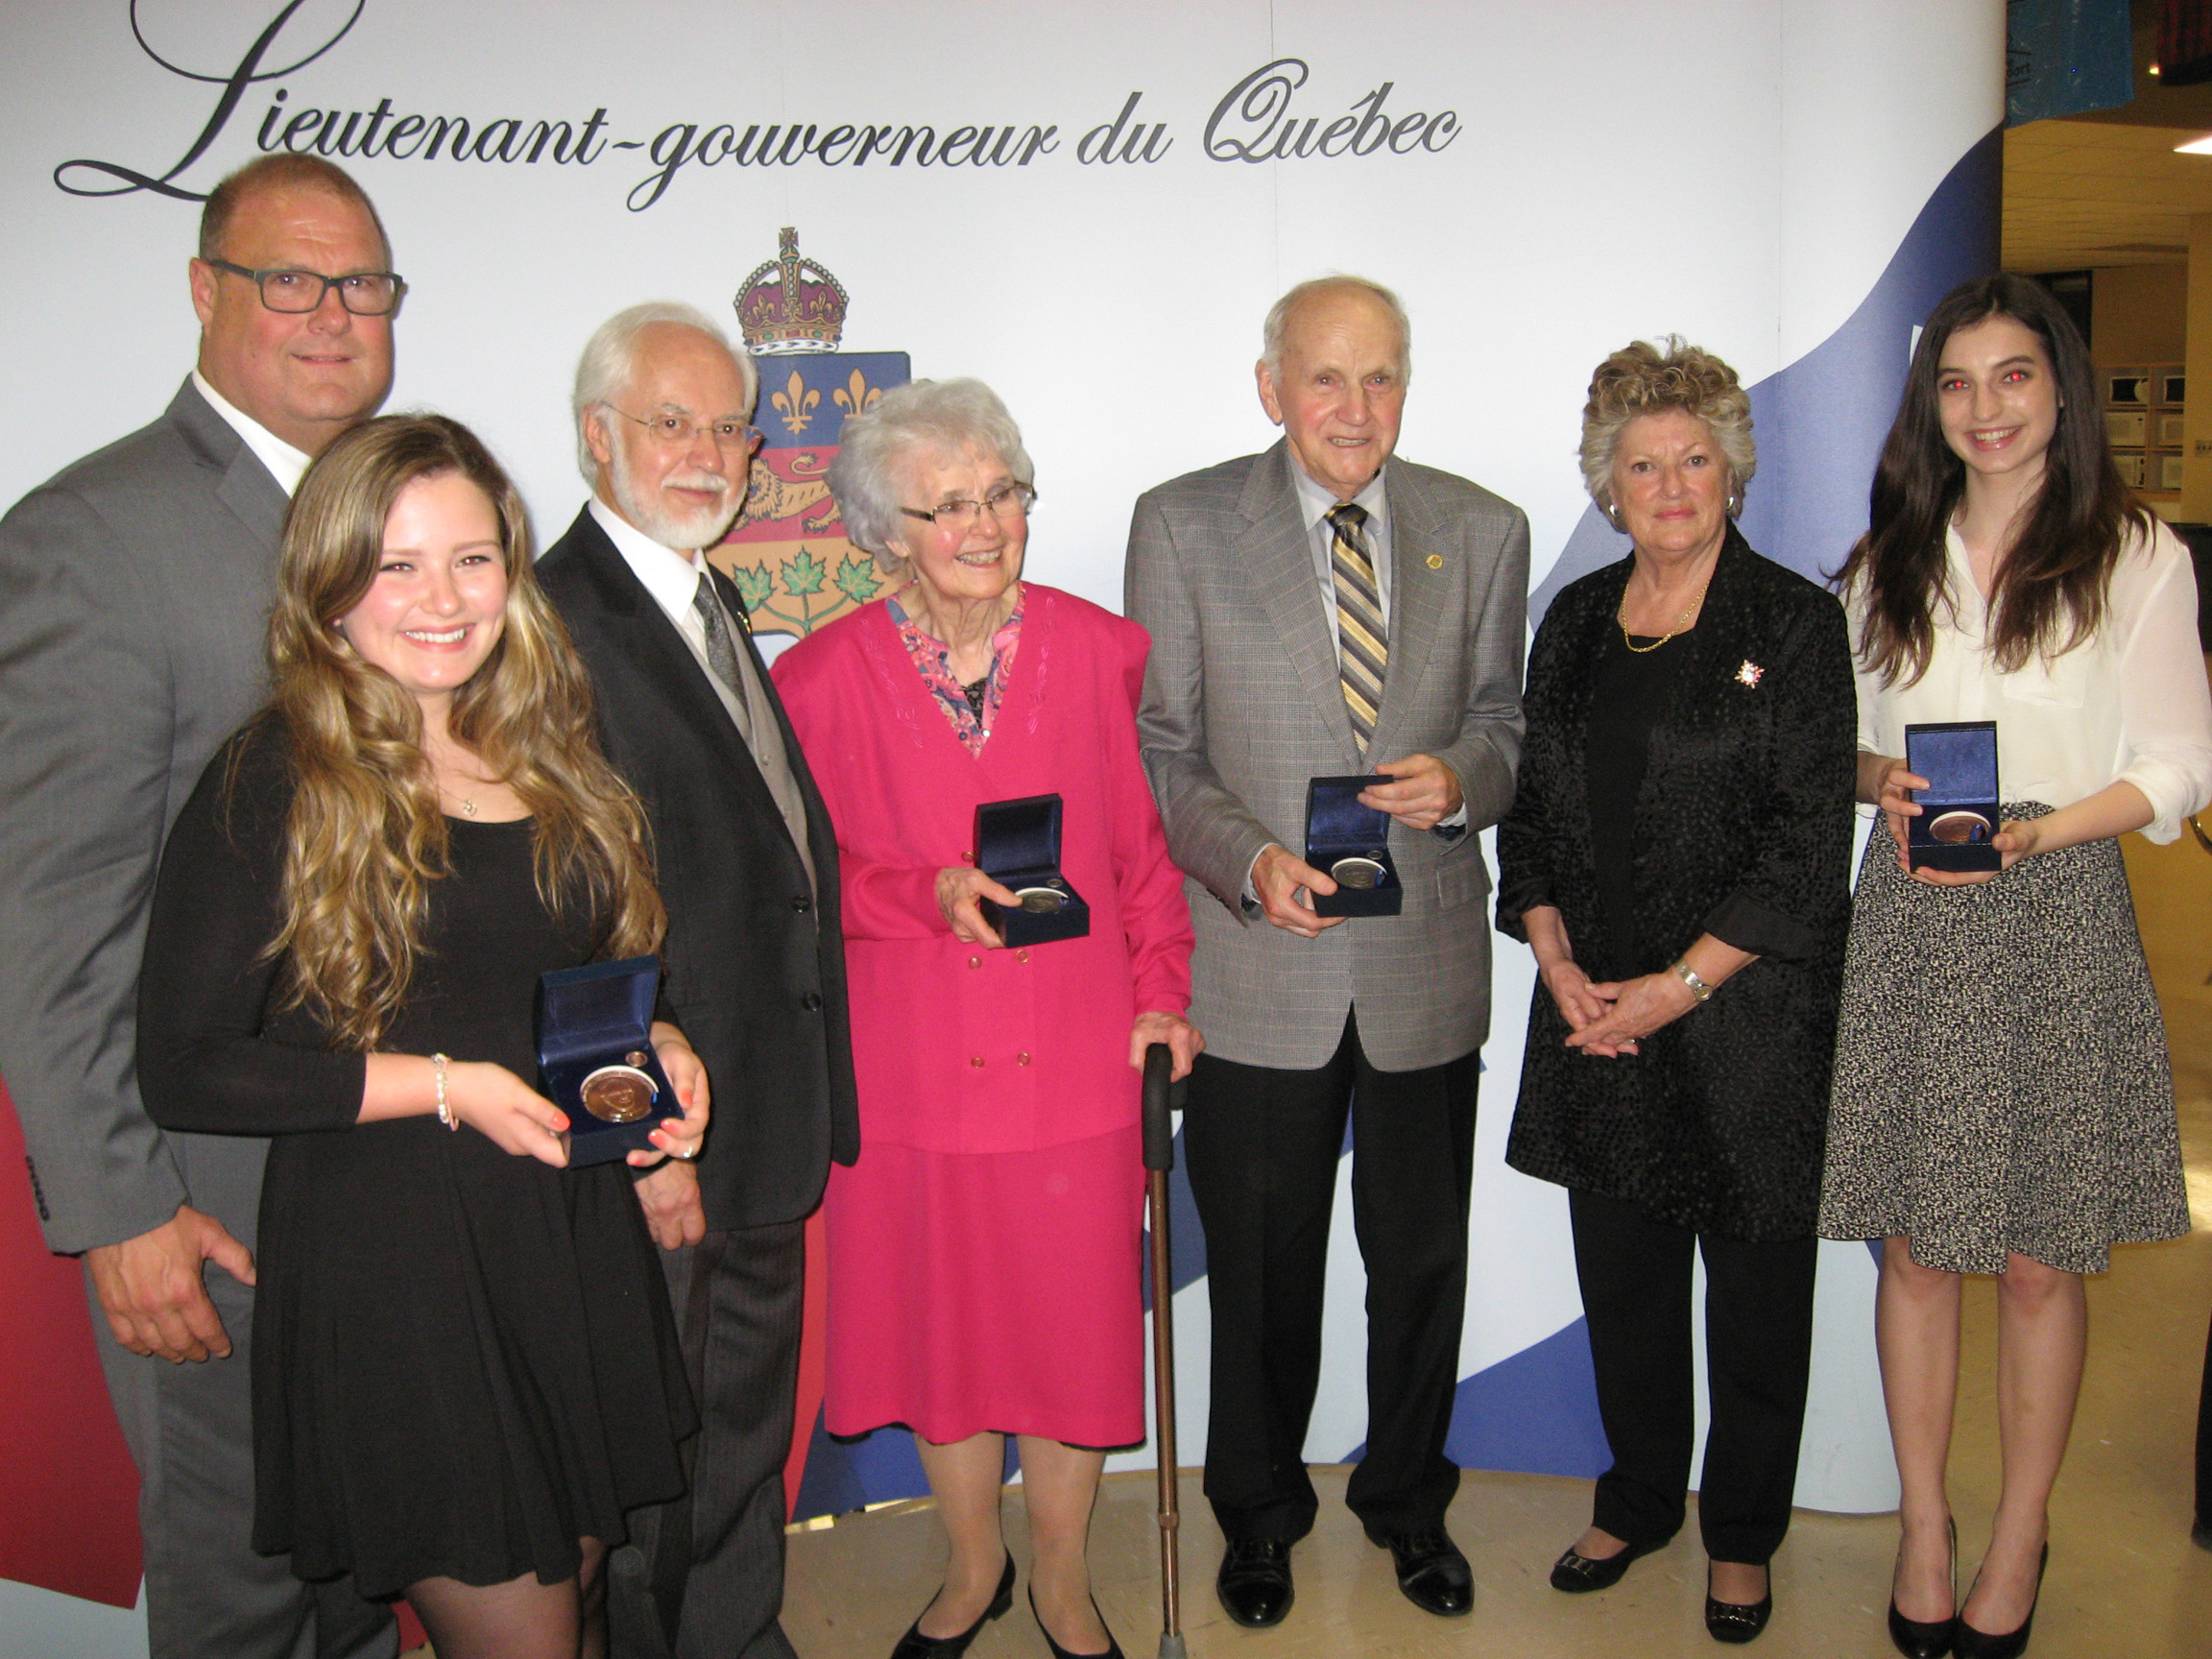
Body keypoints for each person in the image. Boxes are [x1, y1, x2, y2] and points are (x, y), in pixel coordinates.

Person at [134, 414, 707, 1658]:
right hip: (402, 1267)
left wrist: (659, 1039)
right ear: (330, 582)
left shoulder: (544, 741)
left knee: (581, 1593)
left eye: (471, 559)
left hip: (561, 1238)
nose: (443, 601)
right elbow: (185, 1064)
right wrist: (446, 1086)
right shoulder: (276, 774)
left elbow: (570, 969)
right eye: (398, 565)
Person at [0, 154, 400, 1659]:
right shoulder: (94, 536)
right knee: (243, 1588)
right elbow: (50, 915)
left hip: (381, 1168)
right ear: (202, 291)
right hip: (211, 1199)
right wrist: (119, 1210)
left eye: (362, 284)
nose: (332, 314)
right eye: (289, 279)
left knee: (362, 1564)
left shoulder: (401, 517)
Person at [771, 377, 1200, 1659]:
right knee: (943, 1346)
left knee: (1068, 1346)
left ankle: (1062, 1580)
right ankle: (973, 1571)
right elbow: (799, 885)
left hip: (1074, 1062)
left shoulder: (1102, 650)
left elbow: (1142, 859)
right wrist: (922, 894)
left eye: (1001, 493)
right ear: (885, 531)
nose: (984, 523)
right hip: (909, 1077)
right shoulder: (816, 679)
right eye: (947, 504)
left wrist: (1164, 997)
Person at [1123, 276, 1528, 1627]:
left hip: (1422, 966)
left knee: (1419, 1270)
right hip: (1260, 970)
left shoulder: (1483, 528)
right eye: (1325, 378)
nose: (1355, 408)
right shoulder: (1181, 524)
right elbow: (1162, 747)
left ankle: (1408, 1503)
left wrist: (1461, 780)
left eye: (1381, 377)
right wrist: (1247, 861)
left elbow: (1505, 724)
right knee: (1259, 1274)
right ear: (1270, 387)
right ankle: (1257, 1515)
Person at [1819, 273, 2212, 1659]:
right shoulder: (1889, 559)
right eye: (1957, 383)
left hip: (2058, 914)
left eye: (2014, 377)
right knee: (1917, 1249)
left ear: (2060, 390)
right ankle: (1925, 1525)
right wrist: (1880, 781)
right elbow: (1842, 743)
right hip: (1915, 918)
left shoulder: (2135, 554)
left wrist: (2046, 831)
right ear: (1930, 405)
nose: (1986, 409)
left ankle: (2020, 1530)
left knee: (2043, 1264)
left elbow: (2180, 764)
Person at [1495, 339, 1855, 1646]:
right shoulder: (1576, 621)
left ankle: (1741, 1536)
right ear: (1610, 484)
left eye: (1694, 457)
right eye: (1642, 464)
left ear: (1732, 470)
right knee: (1627, 1291)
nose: (1671, 484)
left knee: (1757, 1306)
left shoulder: (1792, 624)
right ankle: (1641, 1499)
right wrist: (1557, 963)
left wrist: (1678, 986)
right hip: (1598, 1018)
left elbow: (1806, 845)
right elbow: (1533, 814)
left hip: (1748, 1025)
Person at [536, 301, 857, 1659]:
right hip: (664, 1134)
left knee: (733, 1434)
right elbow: (561, 906)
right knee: (665, 1457)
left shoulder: (698, 591)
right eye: (672, 423)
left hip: (751, 1106)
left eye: (730, 426)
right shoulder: (555, 621)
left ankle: (733, 1636)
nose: (710, 453)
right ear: (596, 434)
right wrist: (639, 1138)